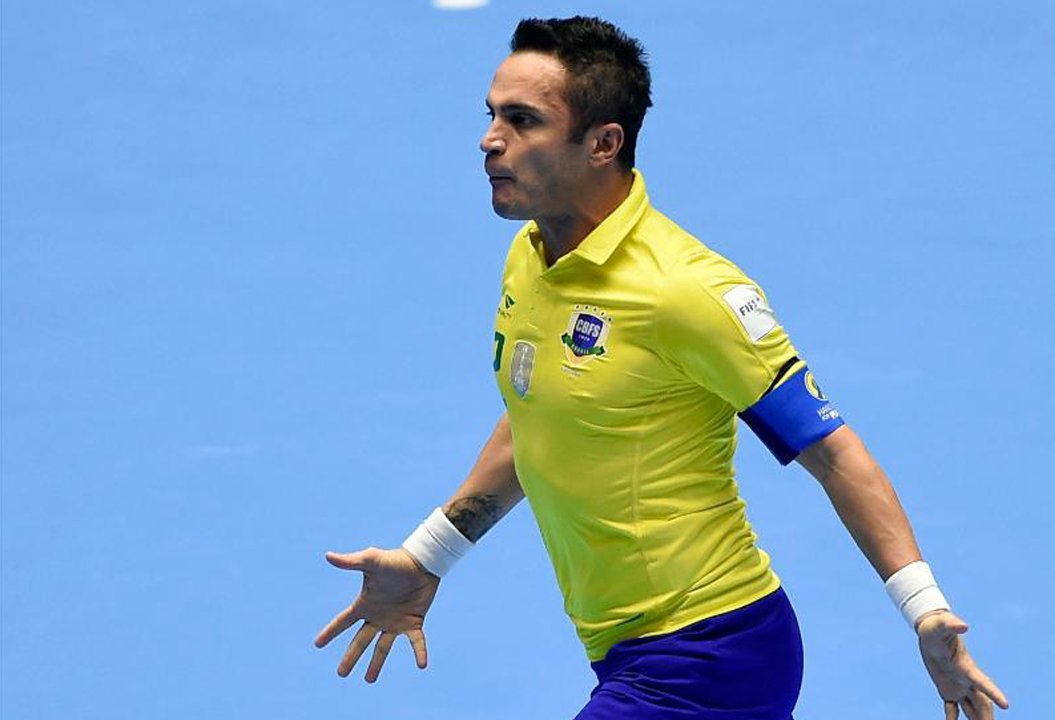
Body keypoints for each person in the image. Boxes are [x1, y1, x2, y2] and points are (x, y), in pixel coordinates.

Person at [315, 16, 1009, 720]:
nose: (490, 139)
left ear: (603, 143)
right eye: (492, 115)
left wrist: (924, 611)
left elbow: (832, 452)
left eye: (523, 121)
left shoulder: (687, 290)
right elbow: (543, 416)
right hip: (627, 649)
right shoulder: (531, 258)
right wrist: (429, 554)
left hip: (710, 654)